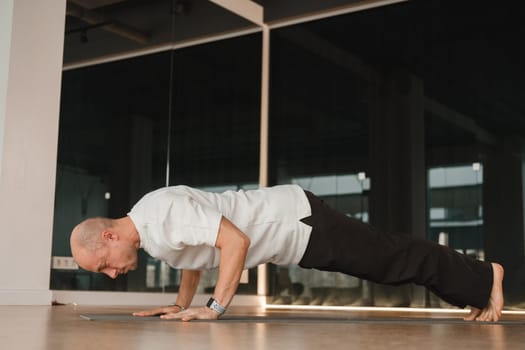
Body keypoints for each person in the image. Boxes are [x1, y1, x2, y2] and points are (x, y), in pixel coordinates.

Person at [70, 184, 504, 322]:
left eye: (104, 266)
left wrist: (216, 307)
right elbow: (201, 255)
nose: (111, 274)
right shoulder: (151, 229)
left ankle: (487, 276)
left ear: (108, 238)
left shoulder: (158, 215)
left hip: (299, 221)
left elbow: (233, 242)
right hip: (297, 238)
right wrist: (182, 306)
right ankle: (475, 290)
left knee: (391, 259)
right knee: (389, 265)